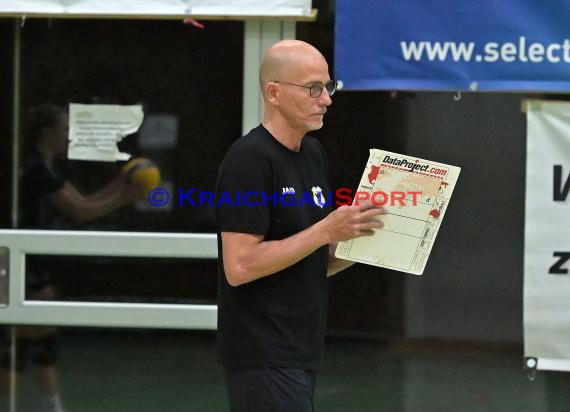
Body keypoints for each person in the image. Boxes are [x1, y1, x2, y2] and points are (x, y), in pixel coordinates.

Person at [216, 40, 387, 412]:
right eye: (313, 88)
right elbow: (240, 266)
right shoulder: (248, 161)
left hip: (302, 348)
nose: (326, 99)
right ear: (274, 92)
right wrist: (326, 230)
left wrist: (367, 243)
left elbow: (308, 258)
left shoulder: (312, 154)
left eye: (329, 86)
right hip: (262, 352)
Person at [0, 103, 139, 412]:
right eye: (63, 129)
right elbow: (80, 211)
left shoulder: (48, 166)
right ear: (46, 132)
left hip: (33, 258)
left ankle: (49, 405)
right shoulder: (36, 167)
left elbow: (84, 201)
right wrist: (125, 197)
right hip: (19, 258)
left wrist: (121, 183)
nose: (68, 136)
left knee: (34, 336)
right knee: (22, 336)